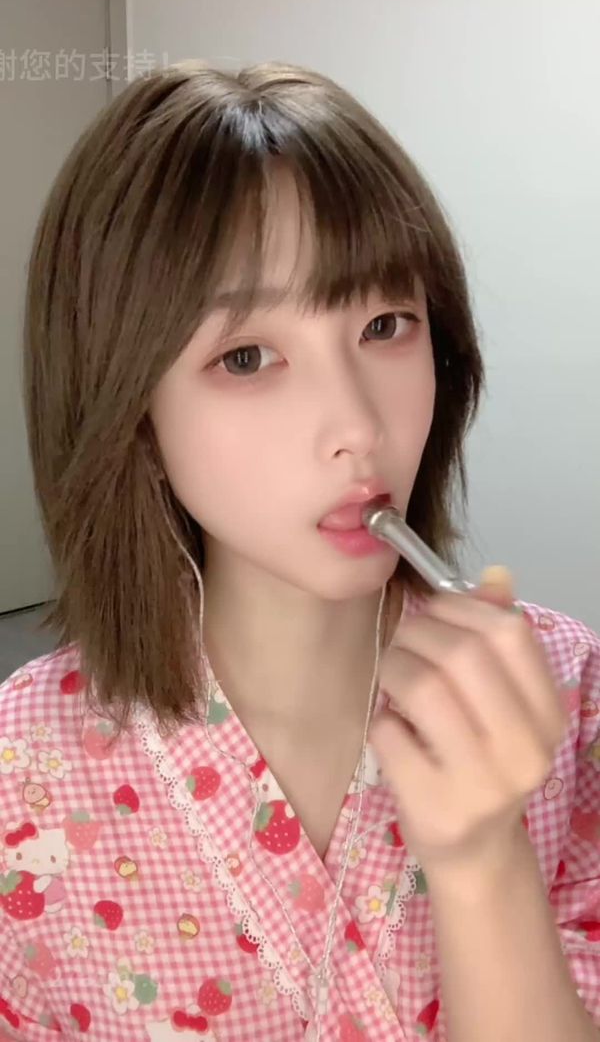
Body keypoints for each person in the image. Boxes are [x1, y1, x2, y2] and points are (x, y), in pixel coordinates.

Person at [0, 59, 598, 1042]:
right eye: (247, 357)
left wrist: (485, 858)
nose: (357, 425)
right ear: (131, 409)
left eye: (386, 324)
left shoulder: (568, 692)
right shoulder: (21, 768)